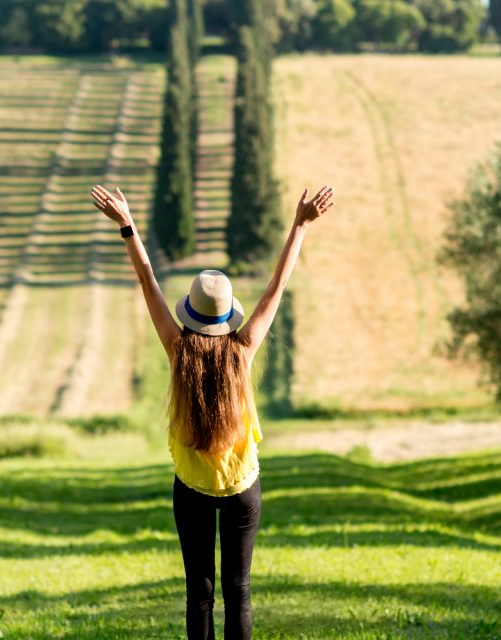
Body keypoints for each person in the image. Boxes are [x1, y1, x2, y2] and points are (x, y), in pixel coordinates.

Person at [89, 184, 335, 640]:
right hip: (243, 488)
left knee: (198, 592)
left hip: (192, 488)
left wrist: (128, 225)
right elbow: (277, 287)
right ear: (228, 318)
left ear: (191, 315)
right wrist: (300, 225)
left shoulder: (177, 349)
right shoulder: (242, 350)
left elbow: (148, 280)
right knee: (238, 589)